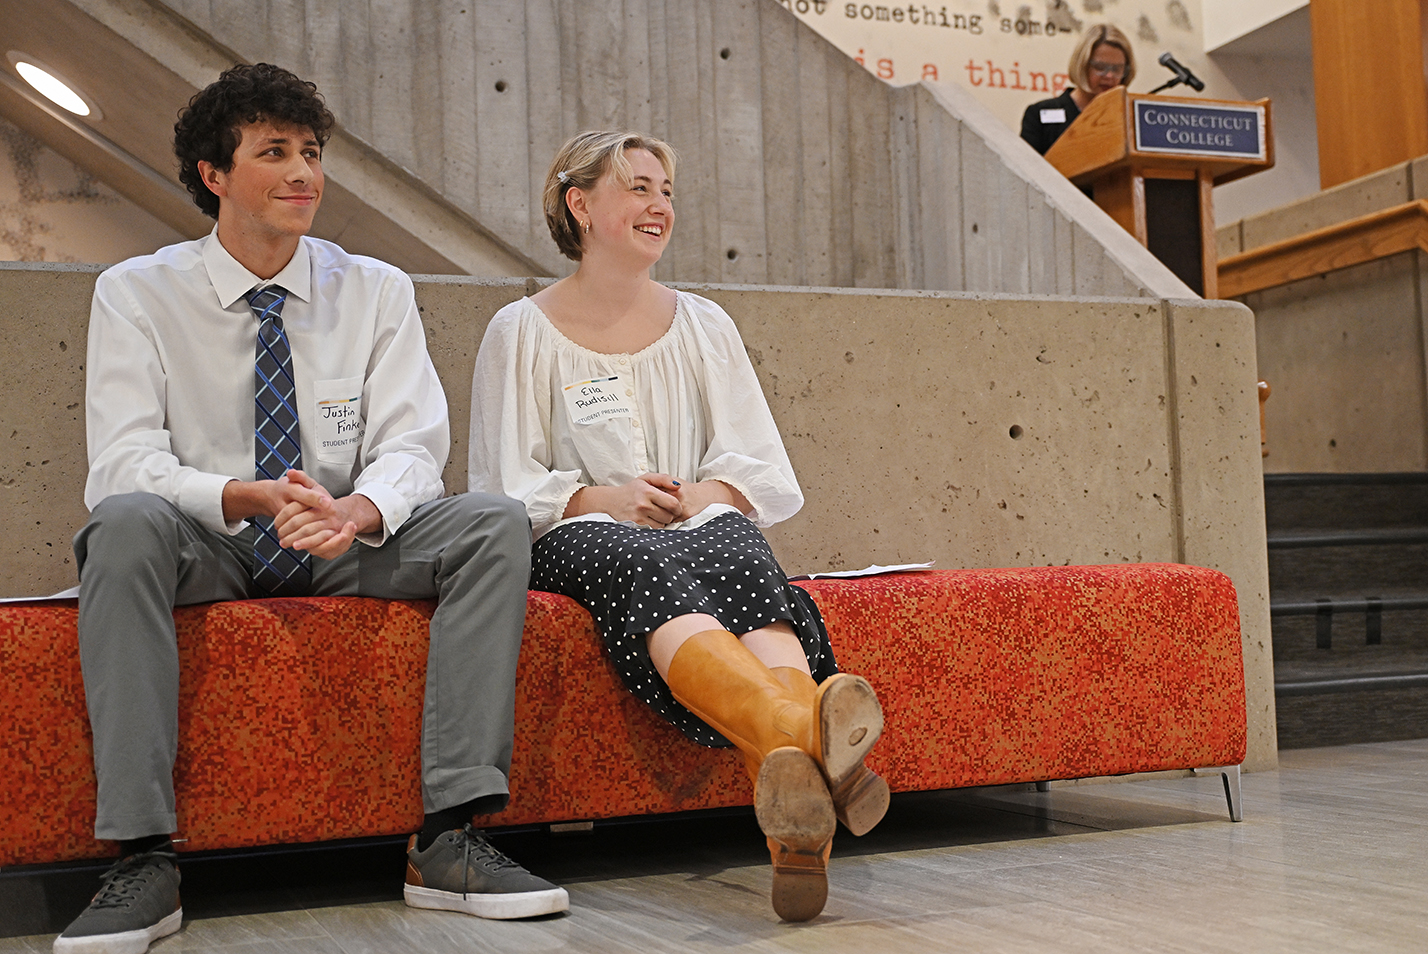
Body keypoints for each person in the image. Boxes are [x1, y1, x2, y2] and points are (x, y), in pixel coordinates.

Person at [57, 63, 566, 954]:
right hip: (211, 539)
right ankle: (142, 857)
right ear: (215, 176)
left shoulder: (374, 288)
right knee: (123, 522)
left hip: (342, 539)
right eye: (275, 153)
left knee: (490, 520)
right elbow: (122, 464)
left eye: (313, 153)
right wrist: (239, 495)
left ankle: (450, 838)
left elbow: (415, 445)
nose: (304, 174)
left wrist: (361, 510)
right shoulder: (137, 292)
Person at [467, 131, 890, 923]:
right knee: (637, 557)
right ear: (580, 204)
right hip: (578, 534)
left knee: (738, 541)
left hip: (694, 521)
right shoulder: (518, 330)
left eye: (666, 190)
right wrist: (601, 499)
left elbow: (758, 465)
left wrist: (703, 492)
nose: (659, 205)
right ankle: (805, 734)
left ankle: (794, 790)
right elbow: (499, 486)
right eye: (638, 188)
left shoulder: (703, 324)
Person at [1021, 24, 1137, 155]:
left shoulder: (1130, 119)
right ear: (1082, 65)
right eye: (1100, 67)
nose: (1109, 75)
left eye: (1117, 69)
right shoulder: (1038, 114)